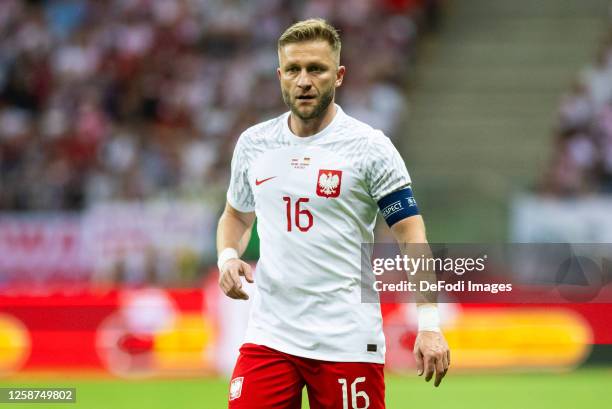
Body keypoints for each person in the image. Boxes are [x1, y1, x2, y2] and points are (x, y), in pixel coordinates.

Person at [216, 18, 450, 409]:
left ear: (338, 75)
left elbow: (412, 238)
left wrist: (428, 326)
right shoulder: (254, 144)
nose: (304, 80)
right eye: (293, 70)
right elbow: (236, 216)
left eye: (316, 69)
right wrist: (228, 257)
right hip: (271, 335)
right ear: (280, 76)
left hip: (347, 339)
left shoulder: (370, 148)